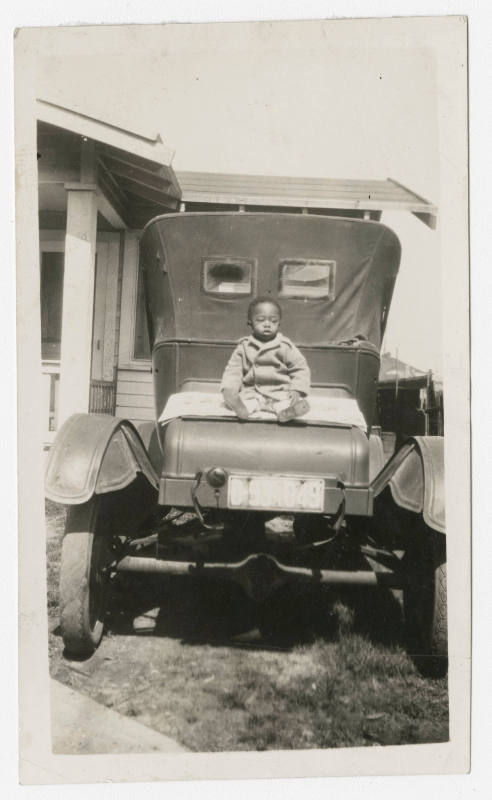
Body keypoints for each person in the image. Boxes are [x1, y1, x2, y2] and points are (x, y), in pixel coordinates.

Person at [220, 296, 310, 422]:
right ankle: (240, 408)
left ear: (279, 323)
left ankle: (287, 412)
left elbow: (300, 369)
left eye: (273, 321)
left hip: (278, 392)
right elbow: (233, 370)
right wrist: (230, 388)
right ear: (250, 322)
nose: (267, 324)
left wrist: (297, 389)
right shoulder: (244, 347)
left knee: (285, 403)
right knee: (247, 402)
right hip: (252, 392)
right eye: (260, 320)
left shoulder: (285, 346)